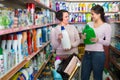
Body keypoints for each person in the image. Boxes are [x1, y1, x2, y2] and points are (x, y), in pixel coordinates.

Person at [81, 5, 112, 80]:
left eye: (93, 14)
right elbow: (84, 40)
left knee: (97, 77)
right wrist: (83, 38)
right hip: (87, 53)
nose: (91, 16)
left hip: (98, 54)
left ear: (99, 14)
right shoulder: (89, 24)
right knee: (84, 77)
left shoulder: (106, 26)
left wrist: (98, 40)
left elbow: (107, 42)